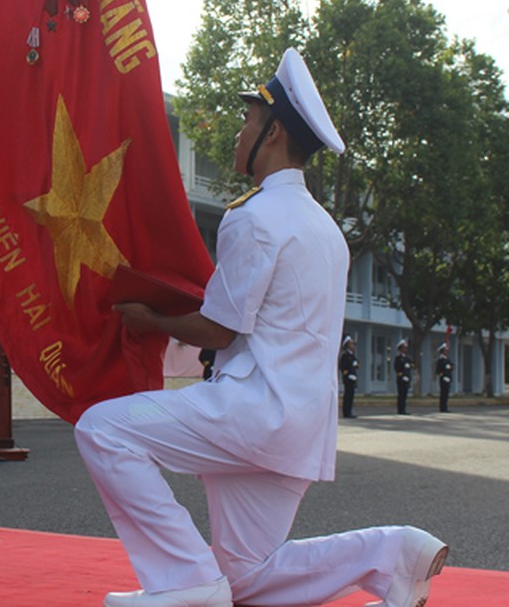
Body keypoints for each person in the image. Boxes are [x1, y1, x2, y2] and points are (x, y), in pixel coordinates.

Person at [76, 49, 447, 607]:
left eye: (248, 120)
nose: (237, 132)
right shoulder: (326, 230)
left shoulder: (253, 216)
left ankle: (184, 581)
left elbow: (220, 330)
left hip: (249, 411)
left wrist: (151, 319)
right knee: (246, 577)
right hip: (298, 428)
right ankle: (392, 552)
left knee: (101, 428)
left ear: (273, 133)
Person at [339, 335, 358, 418]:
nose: (353, 345)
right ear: (347, 345)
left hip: (353, 378)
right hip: (348, 378)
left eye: (353, 344)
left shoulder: (352, 355)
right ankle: (346, 412)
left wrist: (356, 365)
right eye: (351, 344)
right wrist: (348, 374)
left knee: (351, 396)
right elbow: (342, 367)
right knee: (347, 396)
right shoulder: (345, 356)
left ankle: (349, 411)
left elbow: (358, 364)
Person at [395, 339, 413, 415]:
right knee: (401, 395)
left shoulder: (407, 358)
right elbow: (396, 368)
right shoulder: (398, 358)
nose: (405, 349)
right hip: (401, 379)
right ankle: (400, 410)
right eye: (404, 347)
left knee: (405, 395)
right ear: (400, 349)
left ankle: (404, 409)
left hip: (407, 378)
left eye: (406, 347)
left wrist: (410, 366)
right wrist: (402, 375)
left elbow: (412, 365)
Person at [435, 345, 453, 413]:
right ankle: (442, 408)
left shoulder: (447, 359)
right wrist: (443, 377)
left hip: (448, 378)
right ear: (442, 351)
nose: (447, 352)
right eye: (445, 350)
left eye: (447, 350)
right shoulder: (440, 360)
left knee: (446, 394)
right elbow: (438, 371)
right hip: (443, 379)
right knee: (443, 394)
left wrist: (451, 367)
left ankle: (445, 407)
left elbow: (452, 366)